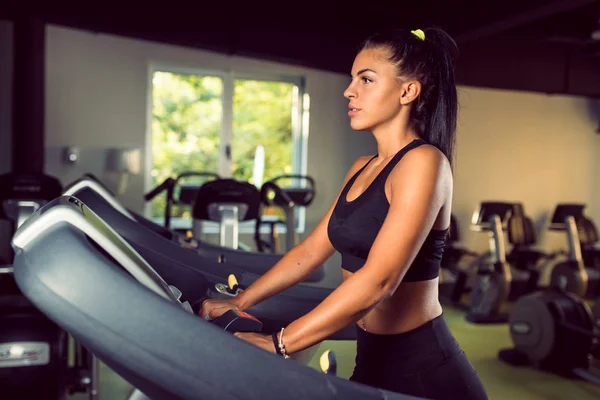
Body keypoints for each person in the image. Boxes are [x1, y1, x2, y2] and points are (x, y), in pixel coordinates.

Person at [200, 26, 488, 400]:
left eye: (366, 79)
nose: (349, 90)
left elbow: (379, 282)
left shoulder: (424, 163)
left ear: (408, 91)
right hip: (370, 359)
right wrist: (241, 300)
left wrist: (279, 344)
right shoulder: (362, 166)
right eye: (353, 79)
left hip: (424, 369)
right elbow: (308, 253)